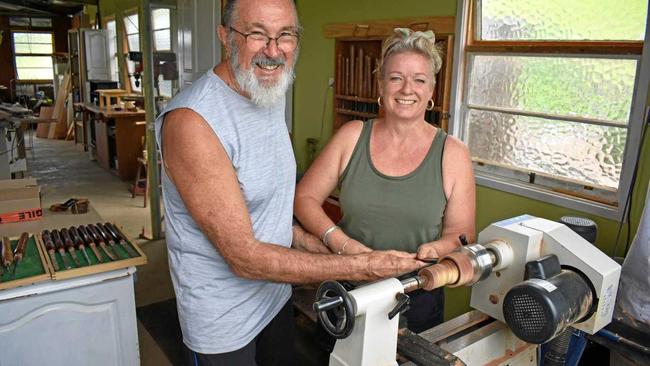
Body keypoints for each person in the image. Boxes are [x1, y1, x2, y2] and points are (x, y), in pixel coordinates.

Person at [154, 1, 426, 364]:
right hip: (224, 325)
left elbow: (271, 218)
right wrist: (362, 267)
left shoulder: (266, 93)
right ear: (225, 36)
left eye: (285, 35)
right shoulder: (193, 122)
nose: (273, 50)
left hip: (274, 301)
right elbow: (244, 258)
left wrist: (339, 251)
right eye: (256, 34)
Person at [294, 28, 476, 333]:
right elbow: (304, 199)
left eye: (419, 80)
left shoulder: (453, 153)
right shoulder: (352, 136)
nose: (407, 89)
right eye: (396, 78)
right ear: (381, 84)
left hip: (418, 295)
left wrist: (436, 249)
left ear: (431, 89)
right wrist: (344, 245)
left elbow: (462, 234)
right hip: (349, 291)